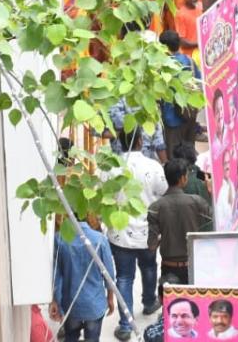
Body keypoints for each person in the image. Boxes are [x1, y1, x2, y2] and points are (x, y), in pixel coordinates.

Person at [108, 131, 169, 339]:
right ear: (141, 141)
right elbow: (164, 189)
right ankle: (149, 301)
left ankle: (125, 324)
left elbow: (103, 194)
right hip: (147, 230)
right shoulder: (153, 166)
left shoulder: (113, 168)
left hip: (120, 232)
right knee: (149, 266)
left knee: (124, 276)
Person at [148, 160, 213, 295]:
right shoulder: (196, 202)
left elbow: (151, 245)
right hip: (194, 267)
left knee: (172, 311)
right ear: (183, 178)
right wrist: (211, 192)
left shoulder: (155, 207)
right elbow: (214, 222)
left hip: (169, 269)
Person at [51, 217, 116, 341]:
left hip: (71, 304)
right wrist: (110, 297)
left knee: (70, 337)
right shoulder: (100, 239)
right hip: (94, 304)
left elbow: (56, 275)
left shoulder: (60, 238)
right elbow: (109, 274)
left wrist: (54, 301)